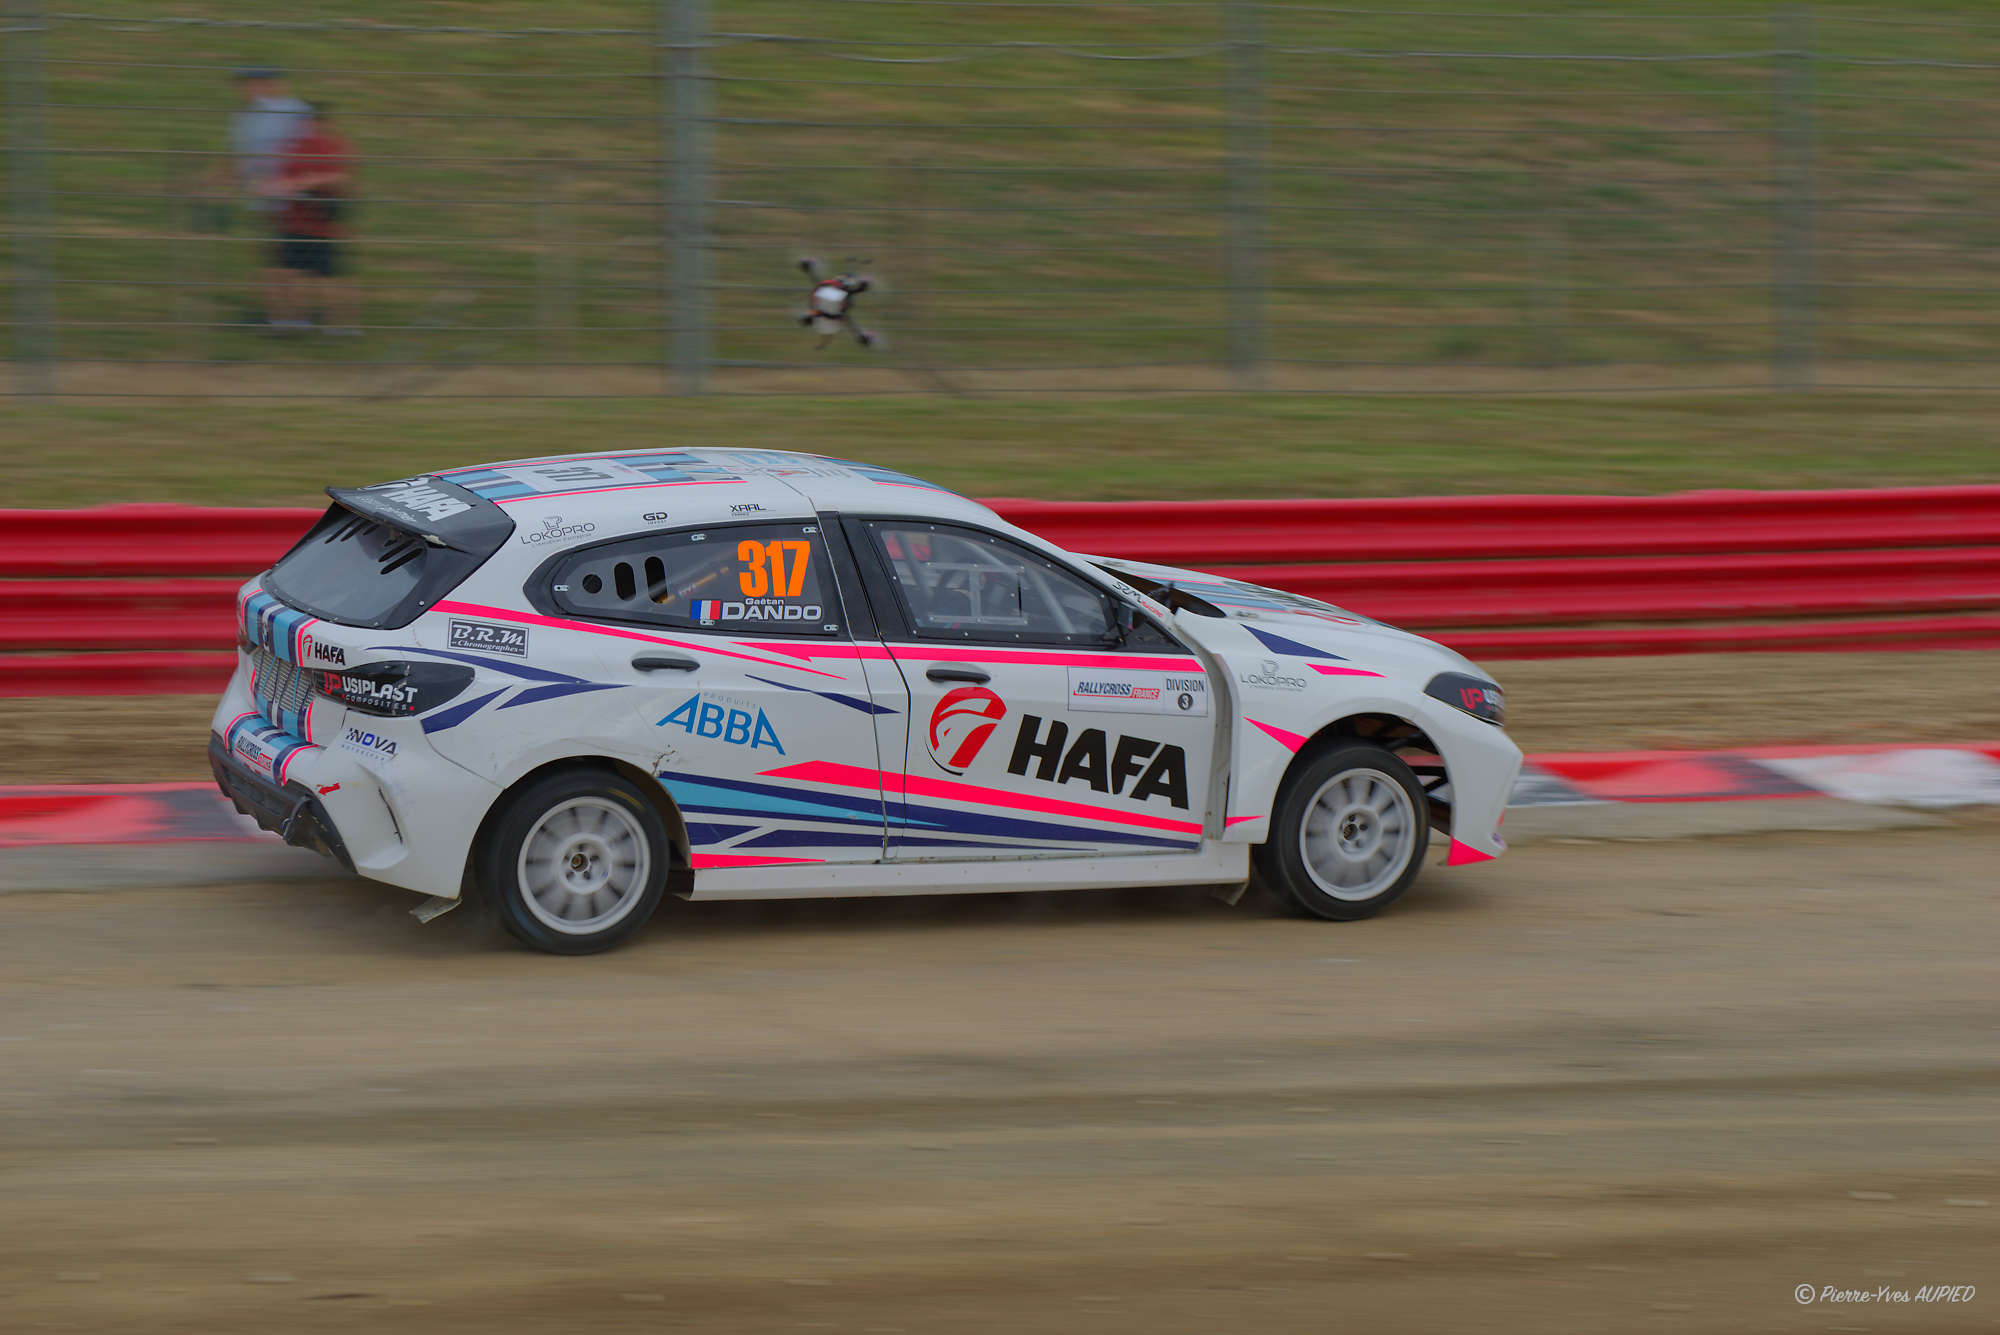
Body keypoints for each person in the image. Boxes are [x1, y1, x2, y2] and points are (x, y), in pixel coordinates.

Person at [225, 67, 310, 328]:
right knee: (268, 256)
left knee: (289, 258)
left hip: (291, 196)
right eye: (245, 85)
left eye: (253, 84)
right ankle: (275, 314)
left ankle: (294, 314)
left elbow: (309, 147)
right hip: (258, 197)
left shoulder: (295, 110)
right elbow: (237, 156)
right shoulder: (242, 117)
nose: (248, 90)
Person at [266, 103, 358, 335]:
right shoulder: (294, 148)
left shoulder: (330, 147)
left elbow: (341, 180)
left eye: (308, 121)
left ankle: (336, 325)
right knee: (289, 274)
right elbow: (279, 182)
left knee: (327, 277)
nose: (305, 126)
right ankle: (295, 321)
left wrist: (307, 183)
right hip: (295, 221)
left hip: (321, 223)